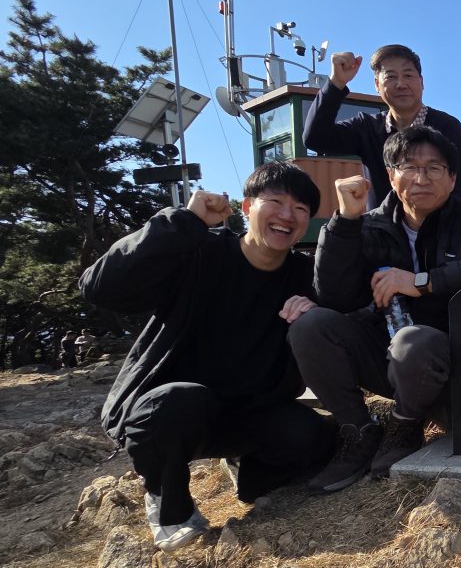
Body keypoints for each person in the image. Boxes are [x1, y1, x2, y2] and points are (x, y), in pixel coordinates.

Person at [80, 162, 335, 551]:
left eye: (301, 208)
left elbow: (350, 304)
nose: (287, 215)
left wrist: (316, 308)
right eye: (275, 201)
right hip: (171, 413)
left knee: (309, 432)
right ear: (247, 207)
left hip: (248, 412)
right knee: (179, 400)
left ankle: (250, 476)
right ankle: (169, 503)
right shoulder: (197, 252)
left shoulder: (304, 275)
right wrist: (181, 221)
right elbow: (100, 287)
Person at [288, 125, 461, 494]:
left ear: (452, 179)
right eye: (409, 167)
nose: (422, 177)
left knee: (415, 341)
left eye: (434, 168)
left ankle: (404, 425)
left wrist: (422, 281)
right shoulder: (365, 226)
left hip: (455, 366)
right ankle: (359, 431)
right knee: (311, 325)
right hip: (387, 358)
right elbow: (334, 296)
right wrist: (345, 221)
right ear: (390, 175)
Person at [303, 43, 461, 206]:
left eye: (408, 75)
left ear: (421, 82)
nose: (401, 84)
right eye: (391, 77)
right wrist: (336, 83)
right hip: (381, 233)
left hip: (440, 232)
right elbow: (316, 138)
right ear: (377, 85)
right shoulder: (367, 127)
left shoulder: (447, 126)